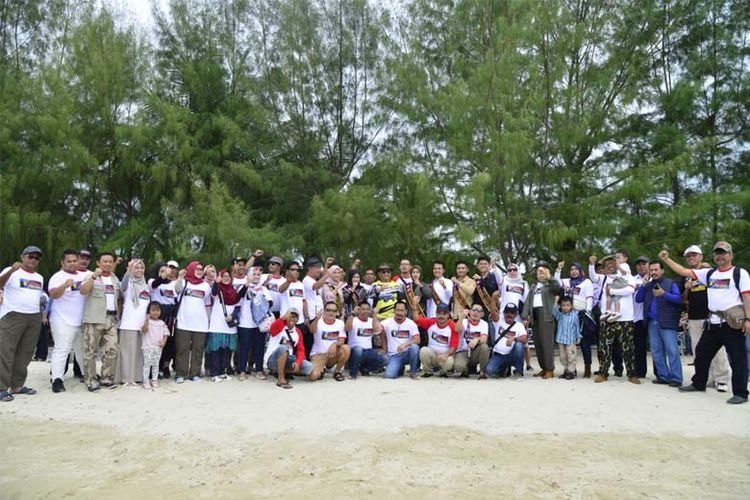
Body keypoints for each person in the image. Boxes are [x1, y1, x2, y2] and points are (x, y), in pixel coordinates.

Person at [660, 243, 749, 404]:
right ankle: (699, 383)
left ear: (731, 255)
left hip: (732, 324)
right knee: (701, 353)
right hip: (712, 324)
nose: (720, 256)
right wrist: (666, 259)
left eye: (723, 253)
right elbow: (684, 271)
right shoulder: (709, 273)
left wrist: (748, 319)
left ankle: (741, 393)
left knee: (738, 359)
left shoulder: (739, 273)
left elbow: (747, 297)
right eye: (717, 253)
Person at [682, 245, 729, 392]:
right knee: (698, 350)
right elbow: (684, 299)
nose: (691, 258)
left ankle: (721, 379)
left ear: (701, 256)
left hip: (711, 316)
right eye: (689, 256)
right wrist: (687, 289)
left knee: (718, 351)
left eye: (694, 255)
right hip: (694, 316)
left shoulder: (711, 272)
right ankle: (705, 378)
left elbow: (721, 289)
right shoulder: (686, 275)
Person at [0, 246, 44, 402]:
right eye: (30, 256)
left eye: (36, 258)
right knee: (5, 351)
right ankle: (1, 387)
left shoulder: (39, 277)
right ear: (22, 257)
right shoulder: (11, 271)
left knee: (25, 352)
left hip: (33, 316)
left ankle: (17, 385)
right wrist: (12, 270)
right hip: (13, 315)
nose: (33, 260)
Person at [635, 261, 684, 387]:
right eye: (651, 270)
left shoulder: (670, 283)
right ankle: (663, 376)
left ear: (662, 270)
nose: (653, 272)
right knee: (656, 350)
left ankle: (677, 378)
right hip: (652, 321)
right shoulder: (648, 285)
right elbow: (638, 299)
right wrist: (643, 285)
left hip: (667, 321)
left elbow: (679, 299)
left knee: (672, 350)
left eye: (656, 270)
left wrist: (664, 294)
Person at [79, 252, 122, 392]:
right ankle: (91, 380)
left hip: (111, 318)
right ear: (98, 262)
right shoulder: (90, 276)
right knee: (90, 351)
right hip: (94, 318)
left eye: (110, 261)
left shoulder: (115, 279)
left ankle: (106, 378)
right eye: (105, 261)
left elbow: (119, 298)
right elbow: (83, 291)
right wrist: (93, 277)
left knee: (112, 349)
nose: (108, 264)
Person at [47, 249, 87, 393]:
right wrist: (64, 285)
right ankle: (57, 379)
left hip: (80, 320)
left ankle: (87, 374)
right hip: (62, 319)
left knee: (82, 350)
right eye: (69, 261)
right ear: (62, 262)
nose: (72, 263)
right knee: (61, 349)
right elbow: (53, 294)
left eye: (75, 260)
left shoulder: (84, 275)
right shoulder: (57, 277)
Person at [173, 261, 212, 383]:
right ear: (191, 269)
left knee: (198, 350)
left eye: (201, 269)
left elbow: (207, 304)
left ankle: (195, 373)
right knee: (182, 349)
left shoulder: (205, 286)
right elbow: (177, 290)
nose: (199, 271)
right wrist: (180, 277)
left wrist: (209, 320)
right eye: (197, 269)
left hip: (201, 324)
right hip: (184, 322)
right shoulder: (184, 282)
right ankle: (180, 373)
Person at [554, 261, 594, 378]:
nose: (574, 271)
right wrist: (558, 270)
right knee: (567, 345)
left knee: (584, 343)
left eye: (576, 269)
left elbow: (589, 298)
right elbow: (556, 282)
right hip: (567, 314)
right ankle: (571, 370)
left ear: (581, 271)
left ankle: (587, 368)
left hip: (581, 315)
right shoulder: (567, 282)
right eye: (571, 269)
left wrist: (588, 312)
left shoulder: (586, 282)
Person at [521, 262, 561, 379]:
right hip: (534, 314)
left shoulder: (550, 284)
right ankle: (543, 367)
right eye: (539, 271)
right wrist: (525, 315)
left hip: (546, 314)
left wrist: (549, 277)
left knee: (547, 343)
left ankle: (550, 369)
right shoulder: (534, 286)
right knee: (538, 343)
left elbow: (557, 287)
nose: (540, 273)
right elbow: (528, 301)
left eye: (543, 270)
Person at [115, 259, 150, 386]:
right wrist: (128, 271)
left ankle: (137, 377)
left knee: (139, 353)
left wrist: (146, 322)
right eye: (136, 267)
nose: (139, 270)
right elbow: (122, 287)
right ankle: (126, 378)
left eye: (141, 268)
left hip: (141, 325)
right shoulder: (128, 283)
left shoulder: (146, 286)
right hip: (129, 323)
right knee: (127, 352)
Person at [237, 266, 272, 380]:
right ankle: (242, 370)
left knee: (259, 347)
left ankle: (259, 370)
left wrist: (260, 302)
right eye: (254, 274)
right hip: (245, 322)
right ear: (248, 275)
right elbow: (239, 296)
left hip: (259, 324)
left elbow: (270, 303)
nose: (256, 276)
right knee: (244, 347)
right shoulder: (244, 287)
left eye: (258, 275)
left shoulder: (263, 289)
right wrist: (247, 284)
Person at [207, 269, 241, 381]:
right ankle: (214, 373)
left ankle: (223, 371)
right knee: (216, 349)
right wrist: (216, 283)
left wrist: (233, 316)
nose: (226, 278)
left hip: (229, 326)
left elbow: (238, 306)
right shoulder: (218, 290)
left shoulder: (234, 291)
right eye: (224, 276)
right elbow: (213, 293)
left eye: (228, 276)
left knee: (227, 350)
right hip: (217, 325)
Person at [265, 310, 313, 389]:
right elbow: (272, 328)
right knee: (284, 348)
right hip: (273, 359)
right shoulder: (280, 326)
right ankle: (281, 379)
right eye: (290, 316)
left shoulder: (297, 331)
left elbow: (301, 350)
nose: (292, 319)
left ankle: (282, 371)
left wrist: (298, 362)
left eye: (295, 317)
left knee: (308, 367)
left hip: (288, 358)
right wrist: (283, 318)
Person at [150, 261, 178, 378]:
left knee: (169, 342)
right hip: (158, 314)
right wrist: (162, 277)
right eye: (161, 271)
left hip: (170, 315)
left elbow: (176, 299)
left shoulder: (173, 284)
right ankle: (154, 368)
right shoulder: (152, 281)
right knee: (156, 342)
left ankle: (166, 366)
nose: (164, 273)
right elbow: (155, 284)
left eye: (165, 270)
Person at [308, 301, 350, 381]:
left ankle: (337, 372)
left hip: (332, 354)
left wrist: (335, 344)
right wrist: (316, 319)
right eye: (328, 310)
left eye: (334, 311)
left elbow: (342, 340)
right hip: (318, 355)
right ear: (324, 311)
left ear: (336, 312)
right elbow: (311, 330)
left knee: (346, 348)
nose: (331, 313)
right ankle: (322, 369)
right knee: (313, 377)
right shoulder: (318, 321)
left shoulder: (340, 323)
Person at [346, 302, 387, 378]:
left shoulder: (372, 320)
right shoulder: (353, 320)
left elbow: (378, 331)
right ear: (358, 310)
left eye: (368, 309)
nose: (365, 311)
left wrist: (374, 315)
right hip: (354, 351)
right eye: (363, 309)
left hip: (368, 351)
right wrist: (352, 314)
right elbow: (347, 328)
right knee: (358, 349)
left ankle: (365, 369)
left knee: (386, 358)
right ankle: (353, 373)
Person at [416, 304, 459, 377]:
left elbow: (453, 347)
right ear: (436, 314)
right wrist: (414, 307)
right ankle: (428, 371)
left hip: (444, 356)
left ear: (448, 314)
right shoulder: (431, 322)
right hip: (432, 354)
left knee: (450, 361)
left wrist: (446, 354)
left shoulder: (453, 326)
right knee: (423, 350)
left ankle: (443, 372)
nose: (441, 316)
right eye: (439, 313)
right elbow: (417, 319)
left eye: (444, 313)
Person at [381, 301, 420, 379]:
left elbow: (417, 339)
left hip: (407, 353)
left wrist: (405, 344)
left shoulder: (411, 323)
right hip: (394, 355)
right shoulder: (386, 323)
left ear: (406, 312)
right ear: (394, 311)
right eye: (397, 310)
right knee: (389, 376)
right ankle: (400, 368)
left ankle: (413, 372)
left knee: (414, 347)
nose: (399, 313)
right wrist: (374, 316)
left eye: (402, 310)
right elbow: (377, 329)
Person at [486, 304, 527, 378]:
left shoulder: (519, 325)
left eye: (512, 313)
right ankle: (503, 369)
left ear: (516, 314)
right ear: (503, 313)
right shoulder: (499, 320)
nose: (509, 314)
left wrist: (514, 338)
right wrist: (493, 300)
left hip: (512, 355)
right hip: (499, 355)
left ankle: (518, 371)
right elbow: (492, 312)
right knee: (490, 370)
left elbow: (524, 339)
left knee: (519, 345)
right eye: (507, 312)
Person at [453, 304, 490, 379]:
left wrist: (477, 339)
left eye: (479, 311)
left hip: (475, 351)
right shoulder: (464, 321)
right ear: (469, 311)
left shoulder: (484, 324)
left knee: (484, 347)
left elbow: (484, 339)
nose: (476, 312)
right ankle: (465, 371)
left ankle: (482, 371)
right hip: (463, 351)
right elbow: (457, 329)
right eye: (474, 310)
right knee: (459, 367)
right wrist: (461, 317)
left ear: (482, 314)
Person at [141, 302, 169, 390]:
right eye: (153, 310)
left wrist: (164, 342)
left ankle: (154, 380)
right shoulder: (147, 322)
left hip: (158, 347)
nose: (155, 312)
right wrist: (146, 320)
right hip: (148, 347)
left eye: (157, 310)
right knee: (147, 365)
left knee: (156, 365)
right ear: (149, 311)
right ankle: (145, 381)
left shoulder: (162, 323)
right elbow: (144, 330)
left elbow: (166, 333)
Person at [631, 256, 651, 379]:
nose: (641, 266)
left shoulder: (655, 278)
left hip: (652, 316)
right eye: (639, 264)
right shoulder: (632, 280)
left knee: (656, 346)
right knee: (639, 346)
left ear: (649, 264)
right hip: (637, 316)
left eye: (644, 263)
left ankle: (661, 373)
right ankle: (640, 371)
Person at [552, 296, 581, 379]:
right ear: (561, 306)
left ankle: (571, 371)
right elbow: (554, 310)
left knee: (571, 356)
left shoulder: (574, 316)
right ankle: (566, 370)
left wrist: (578, 336)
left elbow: (577, 327)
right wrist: (556, 301)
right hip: (561, 339)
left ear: (571, 306)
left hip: (571, 340)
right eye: (563, 305)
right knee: (562, 357)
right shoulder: (560, 315)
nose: (565, 307)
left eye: (568, 305)